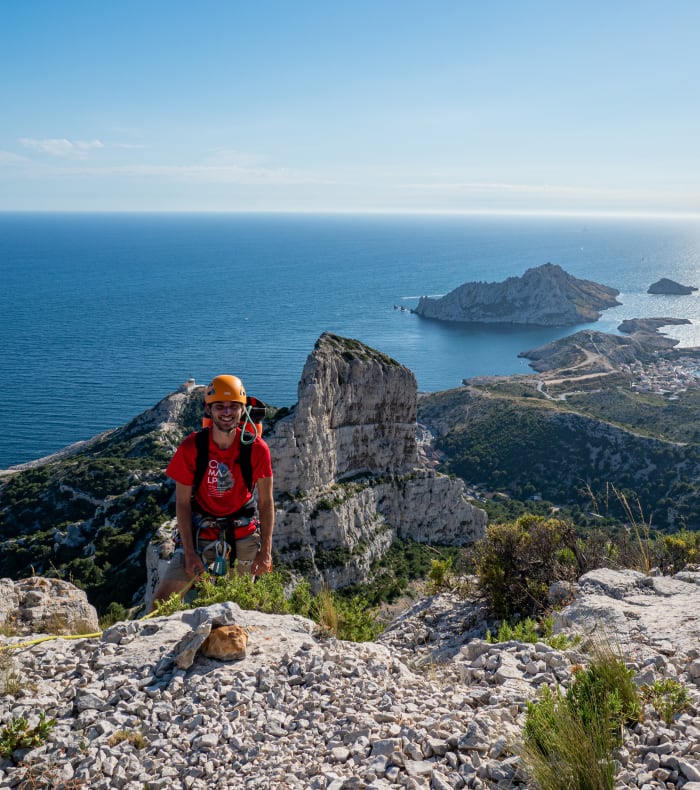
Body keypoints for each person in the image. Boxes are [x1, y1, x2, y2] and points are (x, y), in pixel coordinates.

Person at [151, 374, 274, 607]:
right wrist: (189, 553)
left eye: (233, 406)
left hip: (242, 536)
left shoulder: (257, 449)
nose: (227, 412)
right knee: (161, 603)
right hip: (200, 534)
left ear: (242, 410)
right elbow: (183, 503)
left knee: (238, 606)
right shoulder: (192, 447)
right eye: (220, 406)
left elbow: (266, 503)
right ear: (209, 410)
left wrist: (265, 551)